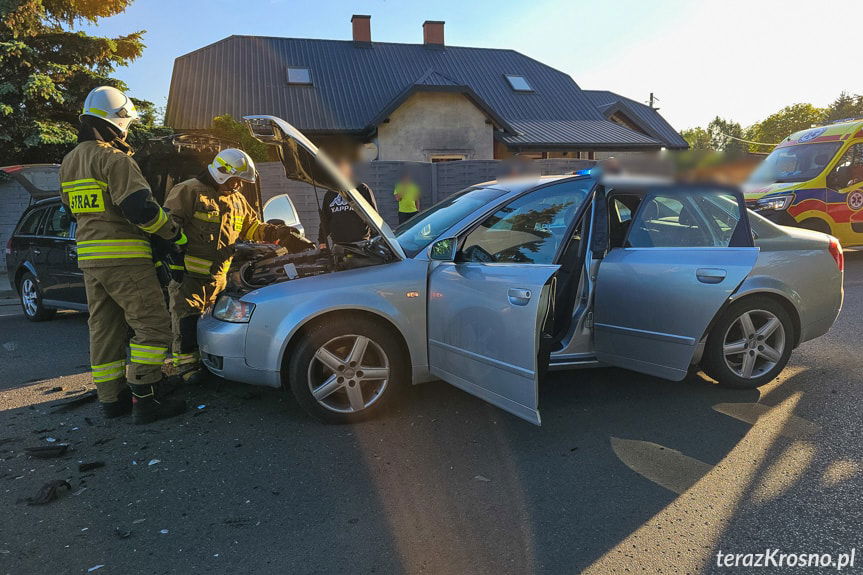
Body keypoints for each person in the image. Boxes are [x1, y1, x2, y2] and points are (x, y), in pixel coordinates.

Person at [59, 86, 186, 424]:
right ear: (116, 121)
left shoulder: (69, 162)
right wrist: (173, 232)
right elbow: (141, 209)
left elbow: (71, 210)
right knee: (154, 325)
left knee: (105, 328)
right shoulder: (113, 159)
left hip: (90, 259)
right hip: (125, 257)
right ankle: (146, 397)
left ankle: (111, 399)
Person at [164, 148, 313, 384]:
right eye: (237, 181)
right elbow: (168, 229)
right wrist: (173, 261)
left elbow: (252, 228)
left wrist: (281, 233)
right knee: (186, 321)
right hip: (190, 278)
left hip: (219, 279)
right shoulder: (189, 191)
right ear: (223, 173)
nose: (239, 186)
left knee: (211, 325)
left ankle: (209, 363)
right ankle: (187, 370)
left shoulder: (237, 201)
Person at [318, 159, 378, 248]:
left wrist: (374, 240)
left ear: (349, 170)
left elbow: (374, 217)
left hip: (361, 244)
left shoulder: (362, 189)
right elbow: (325, 220)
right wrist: (322, 240)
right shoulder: (330, 193)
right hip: (339, 245)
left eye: (342, 168)